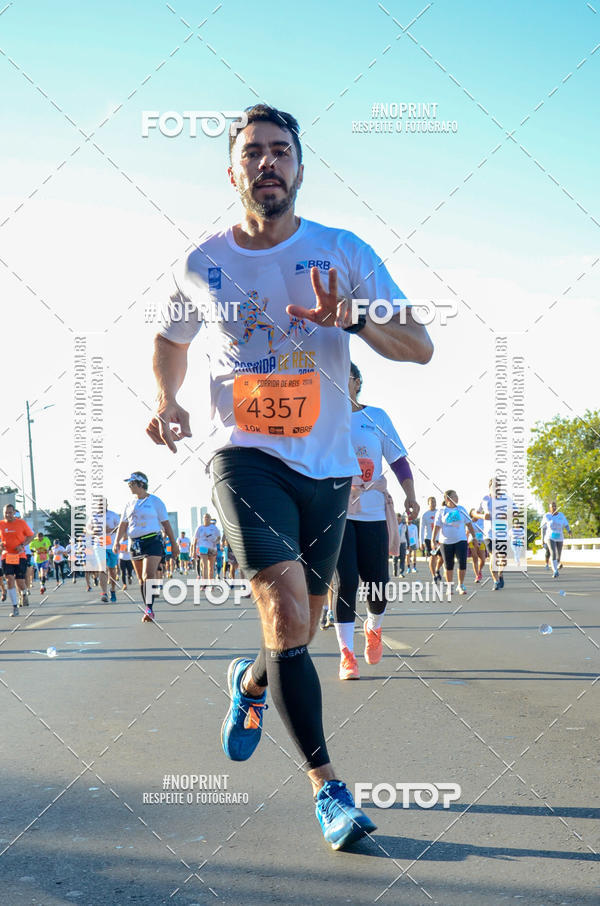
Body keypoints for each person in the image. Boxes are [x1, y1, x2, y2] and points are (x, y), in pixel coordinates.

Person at [147, 103, 432, 849]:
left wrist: (352, 322)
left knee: (296, 630)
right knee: (283, 614)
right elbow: (169, 338)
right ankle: (329, 790)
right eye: (254, 153)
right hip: (241, 454)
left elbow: (419, 346)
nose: (267, 162)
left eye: (281, 151)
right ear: (233, 169)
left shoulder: (344, 250)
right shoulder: (200, 261)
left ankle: (249, 683)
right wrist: (167, 400)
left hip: (329, 466)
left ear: (300, 168)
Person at [332, 362, 417, 680]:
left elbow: (398, 460)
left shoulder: (376, 417)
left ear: (355, 382)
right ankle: (347, 655)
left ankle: (374, 627)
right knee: (346, 583)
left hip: (372, 512)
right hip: (337, 513)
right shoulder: (323, 420)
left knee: (378, 584)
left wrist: (410, 495)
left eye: (339, 377)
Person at [113, 472, 178, 622]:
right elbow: (123, 524)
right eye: (129, 483)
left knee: (147, 575)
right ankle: (148, 606)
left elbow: (166, 524)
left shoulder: (155, 501)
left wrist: (174, 544)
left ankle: (149, 610)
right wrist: (116, 542)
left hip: (153, 541)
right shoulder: (129, 504)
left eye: (132, 483)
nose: (129, 486)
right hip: (134, 543)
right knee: (142, 580)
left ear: (141, 484)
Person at [475, 478, 519, 591]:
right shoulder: (485, 499)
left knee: (503, 559)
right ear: (490, 487)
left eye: (498, 486)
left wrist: (508, 516)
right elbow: (476, 513)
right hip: (489, 534)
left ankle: (500, 574)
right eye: (494, 486)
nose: (497, 488)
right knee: (493, 557)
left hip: (502, 534)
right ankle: (495, 581)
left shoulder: (506, 498)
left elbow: (516, 511)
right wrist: (482, 516)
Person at [431, 491, 478, 595]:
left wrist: (474, 537)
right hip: (445, 542)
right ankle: (449, 586)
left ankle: (460, 585)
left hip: (461, 540)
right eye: (454, 496)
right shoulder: (441, 511)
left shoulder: (461, 509)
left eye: (457, 496)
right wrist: (433, 540)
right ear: (447, 499)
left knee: (462, 563)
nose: (457, 498)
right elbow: (437, 527)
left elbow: (469, 524)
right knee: (449, 565)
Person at [0, 505, 34, 616]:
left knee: (20, 582)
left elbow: (31, 536)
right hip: (7, 556)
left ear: (14, 512)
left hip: (20, 555)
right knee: (9, 579)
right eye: (6, 513)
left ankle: (24, 593)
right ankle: (15, 607)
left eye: (10, 512)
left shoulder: (21, 523)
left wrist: (22, 545)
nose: (8, 515)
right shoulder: (1, 524)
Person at [540, 502, 572, 578]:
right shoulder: (547, 516)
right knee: (553, 552)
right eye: (552, 507)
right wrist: (542, 539)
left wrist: (569, 531)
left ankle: (556, 565)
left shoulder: (561, 515)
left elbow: (566, 524)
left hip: (559, 536)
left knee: (559, 555)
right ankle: (555, 571)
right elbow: (543, 528)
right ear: (549, 508)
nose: (554, 508)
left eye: (555, 506)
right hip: (550, 537)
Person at [193, 514, 220, 580]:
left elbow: (219, 537)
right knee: (205, 566)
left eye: (208, 517)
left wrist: (215, 542)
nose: (206, 519)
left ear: (210, 519)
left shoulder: (214, 528)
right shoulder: (199, 528)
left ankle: (211, 583)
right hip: (203, 548)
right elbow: (195, 540)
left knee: (211, 567)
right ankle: (204, 583)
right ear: (203, 519)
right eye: (205, 517)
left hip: (212, 548)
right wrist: (193, 552)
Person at [468, 508, 487, 583]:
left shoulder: (482, 521)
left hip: (481, 541)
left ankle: (479, 571)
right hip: (472, 540)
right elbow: (467, 532)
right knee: (475, 558)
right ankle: (477, 575)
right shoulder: (469, 521)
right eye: (476, 512)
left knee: (483, 559)